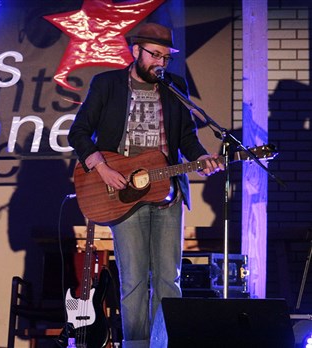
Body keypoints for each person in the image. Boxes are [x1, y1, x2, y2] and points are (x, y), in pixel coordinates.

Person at [67, 23, 223, 347]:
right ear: (136, 51)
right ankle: (136, 345)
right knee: (134, 281)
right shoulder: (107, 84)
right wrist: (102, 167)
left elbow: (186, 138)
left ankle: (162, 344)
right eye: (155, 56)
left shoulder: (174, 87)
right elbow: (78, 132)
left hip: (167, 193)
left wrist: (203, 157)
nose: (161, 64)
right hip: (123, 194)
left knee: (170, 279)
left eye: (165, 58)